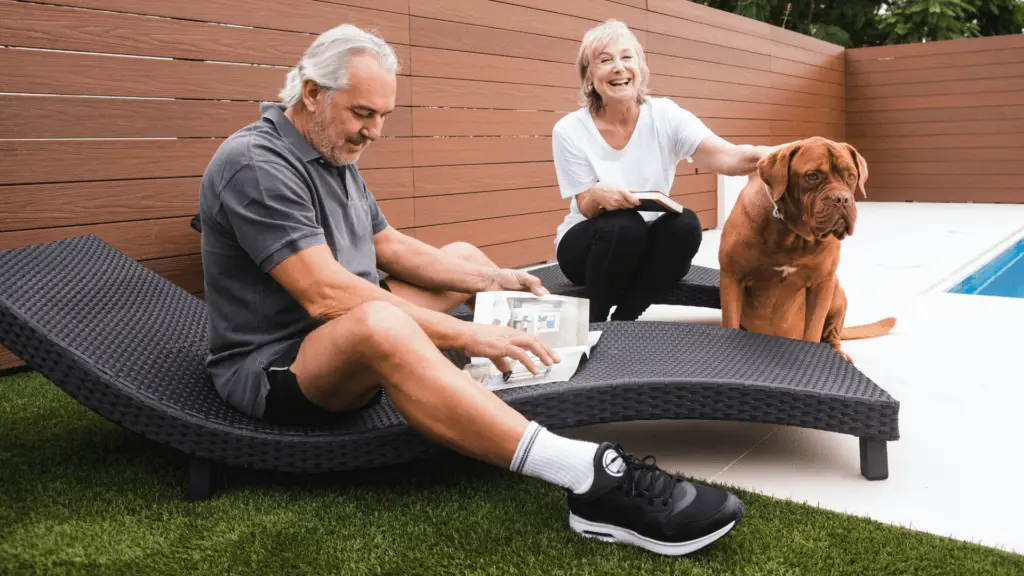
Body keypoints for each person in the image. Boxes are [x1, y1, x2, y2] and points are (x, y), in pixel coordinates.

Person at [198, 23, 743, 557]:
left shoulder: (332, 153)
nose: (375, 132)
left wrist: (493, 279)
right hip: (280, 367)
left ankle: (505, 373)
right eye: (363, 114)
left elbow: (386, 244)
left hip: (339, 331)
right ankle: (586, 477)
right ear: (312, 94)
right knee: (380, 324)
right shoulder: (258, 164)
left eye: (382, 116)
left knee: (461, 257)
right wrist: (467, 331)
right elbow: (325, 296)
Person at [553, 19, 790, 322]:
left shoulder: (665, 115)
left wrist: (788, 153)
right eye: (605, 60)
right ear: (589, 76)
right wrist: (598, 195)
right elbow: (585, 206)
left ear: (640, 66)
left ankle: (625, 318)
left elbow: (728, 156)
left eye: (627, 57)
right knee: (625, 225)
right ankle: (595, 322)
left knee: (686, 224)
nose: (618, 67)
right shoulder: (569, 130)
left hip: (644, 245)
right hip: (587, 250)